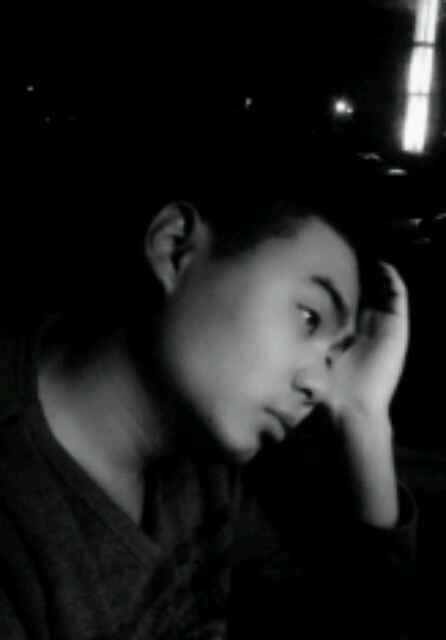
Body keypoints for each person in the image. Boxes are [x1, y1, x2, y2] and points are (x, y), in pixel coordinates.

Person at [0, 147, 417, 639]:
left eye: (332, 357)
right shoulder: (20, 515)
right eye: (309, 318)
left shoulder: (206, 470)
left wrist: (364, 417)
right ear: (176, 249)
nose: (319, 386)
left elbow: (358, 613)